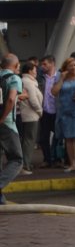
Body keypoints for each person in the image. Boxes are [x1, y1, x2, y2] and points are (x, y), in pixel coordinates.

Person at [0, 53, 24, 204]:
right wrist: (2, 118)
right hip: (6, 123)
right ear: (15, 66)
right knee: (17, 159)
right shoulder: (14, 78)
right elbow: (10, 98)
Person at [17, 62, 43, 174]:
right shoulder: (28, 82)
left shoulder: (28, 81)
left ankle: (25, 164)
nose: (36, 71)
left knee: (27, 140)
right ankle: (25, 166)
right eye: (34, 69)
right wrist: (40, 111)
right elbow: (33, 99)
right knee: (29, 141)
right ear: (29, 71)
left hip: (29, 114)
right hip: (31, 115)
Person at [37, 55, 60, 168]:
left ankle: (56, 158)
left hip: (57, 111)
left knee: (58, 136)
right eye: (42, 64)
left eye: (45, 64)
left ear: (52, 64)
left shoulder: (60, 77)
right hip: (45, 111)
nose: (42, 66)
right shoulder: (40, 77)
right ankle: (47, 159)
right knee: (43, 138)